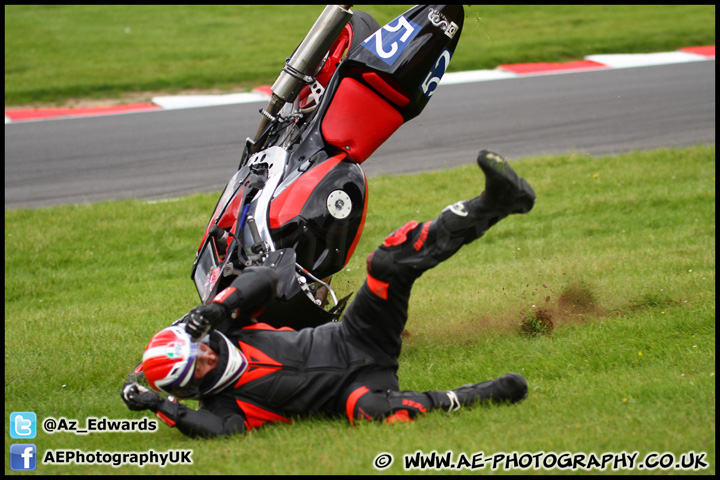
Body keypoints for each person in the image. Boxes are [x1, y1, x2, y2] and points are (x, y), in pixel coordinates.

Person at [121, 150, 536, 438]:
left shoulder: (229, 327)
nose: (209, 355)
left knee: (387, 264)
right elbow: (220, 432)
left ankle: (496, 201)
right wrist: (162, 408)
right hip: (357, 387)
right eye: (199, 366)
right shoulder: (224, 407)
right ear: (192, 389)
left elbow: (265, 278)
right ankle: (482, 396)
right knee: (371, 413)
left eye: (200, 347)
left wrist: (217, 307)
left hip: (355, 336)